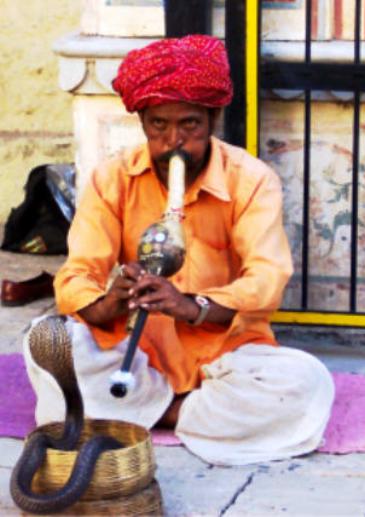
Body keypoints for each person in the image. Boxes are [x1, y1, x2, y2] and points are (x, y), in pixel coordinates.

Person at [24, 34, 334, 466]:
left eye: (189, 125)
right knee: (45, 341)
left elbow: (266, 281)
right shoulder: (110, 179)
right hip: (133, 352)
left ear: (213, 119)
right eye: (159, 125)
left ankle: (141, 413)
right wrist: (111, 300)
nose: (174, 141)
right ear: (143, 123)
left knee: (306, 382)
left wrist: (190, 306)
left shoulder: (252, 179)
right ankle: (182, 413)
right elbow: (76, 278)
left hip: (222, 356)